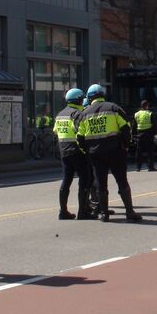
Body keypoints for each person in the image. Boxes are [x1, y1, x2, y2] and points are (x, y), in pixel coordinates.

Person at [76, 84, 142, 223]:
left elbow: (80, 137)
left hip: (96, 155)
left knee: (101, 184)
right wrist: (126, 145)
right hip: (115, 151)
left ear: (89, 97)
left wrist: (87, 151)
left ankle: (104, 214)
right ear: (103, 95)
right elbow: (126, 128)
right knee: (122, 181)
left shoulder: (84, 114)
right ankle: (129, 212)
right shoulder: (113, 108)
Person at [53, 88, 96, 220]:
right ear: (79, 99)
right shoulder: (77, 113)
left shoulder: (60, 114)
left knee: (66, 180)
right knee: (85, 180)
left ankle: (63, 211)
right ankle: (83, 212)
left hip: (64, 152)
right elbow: (81, 133)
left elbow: (55, 131)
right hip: (78, 152)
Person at [134, 100, 157, 172]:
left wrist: (134, 135)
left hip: (139, 134)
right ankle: (150, 167)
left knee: (139, 152)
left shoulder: (137, 114)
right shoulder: (149, 113)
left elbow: (134, 125)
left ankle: (138, 167)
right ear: (147, 106)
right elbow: (154, 125)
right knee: (150, 151)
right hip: (148, 134)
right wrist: (154, 133)